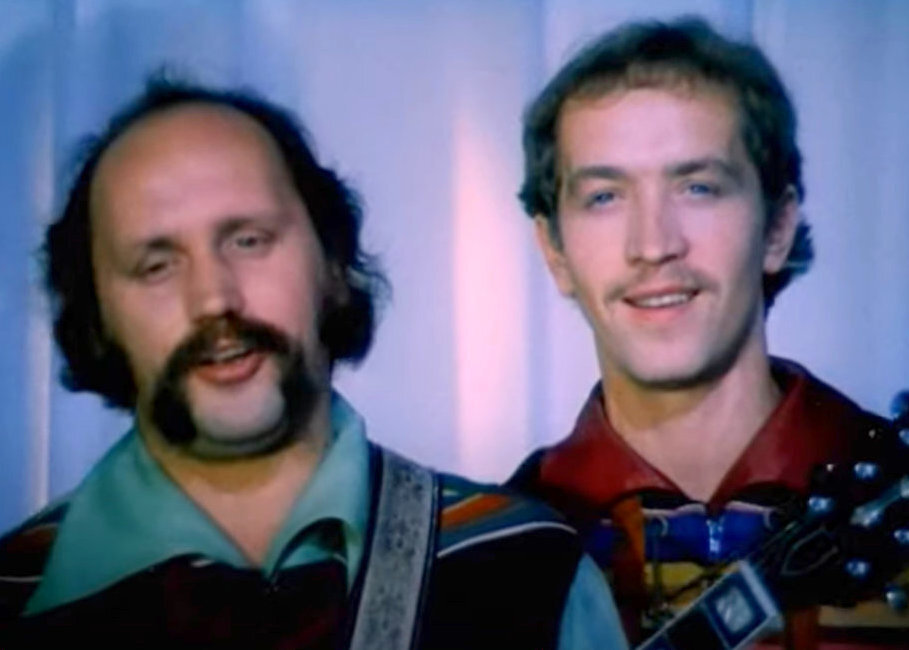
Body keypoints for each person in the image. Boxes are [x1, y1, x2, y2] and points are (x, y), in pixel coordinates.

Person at [0, 78, 627, 649]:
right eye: (156, 265)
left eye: (248, 240)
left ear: (332, 264)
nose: (214, 298)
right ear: (97, 317)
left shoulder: (532, 574)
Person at [509, 17, 906, 649]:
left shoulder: (893, 489)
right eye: (605, 197)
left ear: (777, 227)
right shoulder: (495, 552)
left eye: (698, 187)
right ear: (554, 250)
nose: (653, 245)